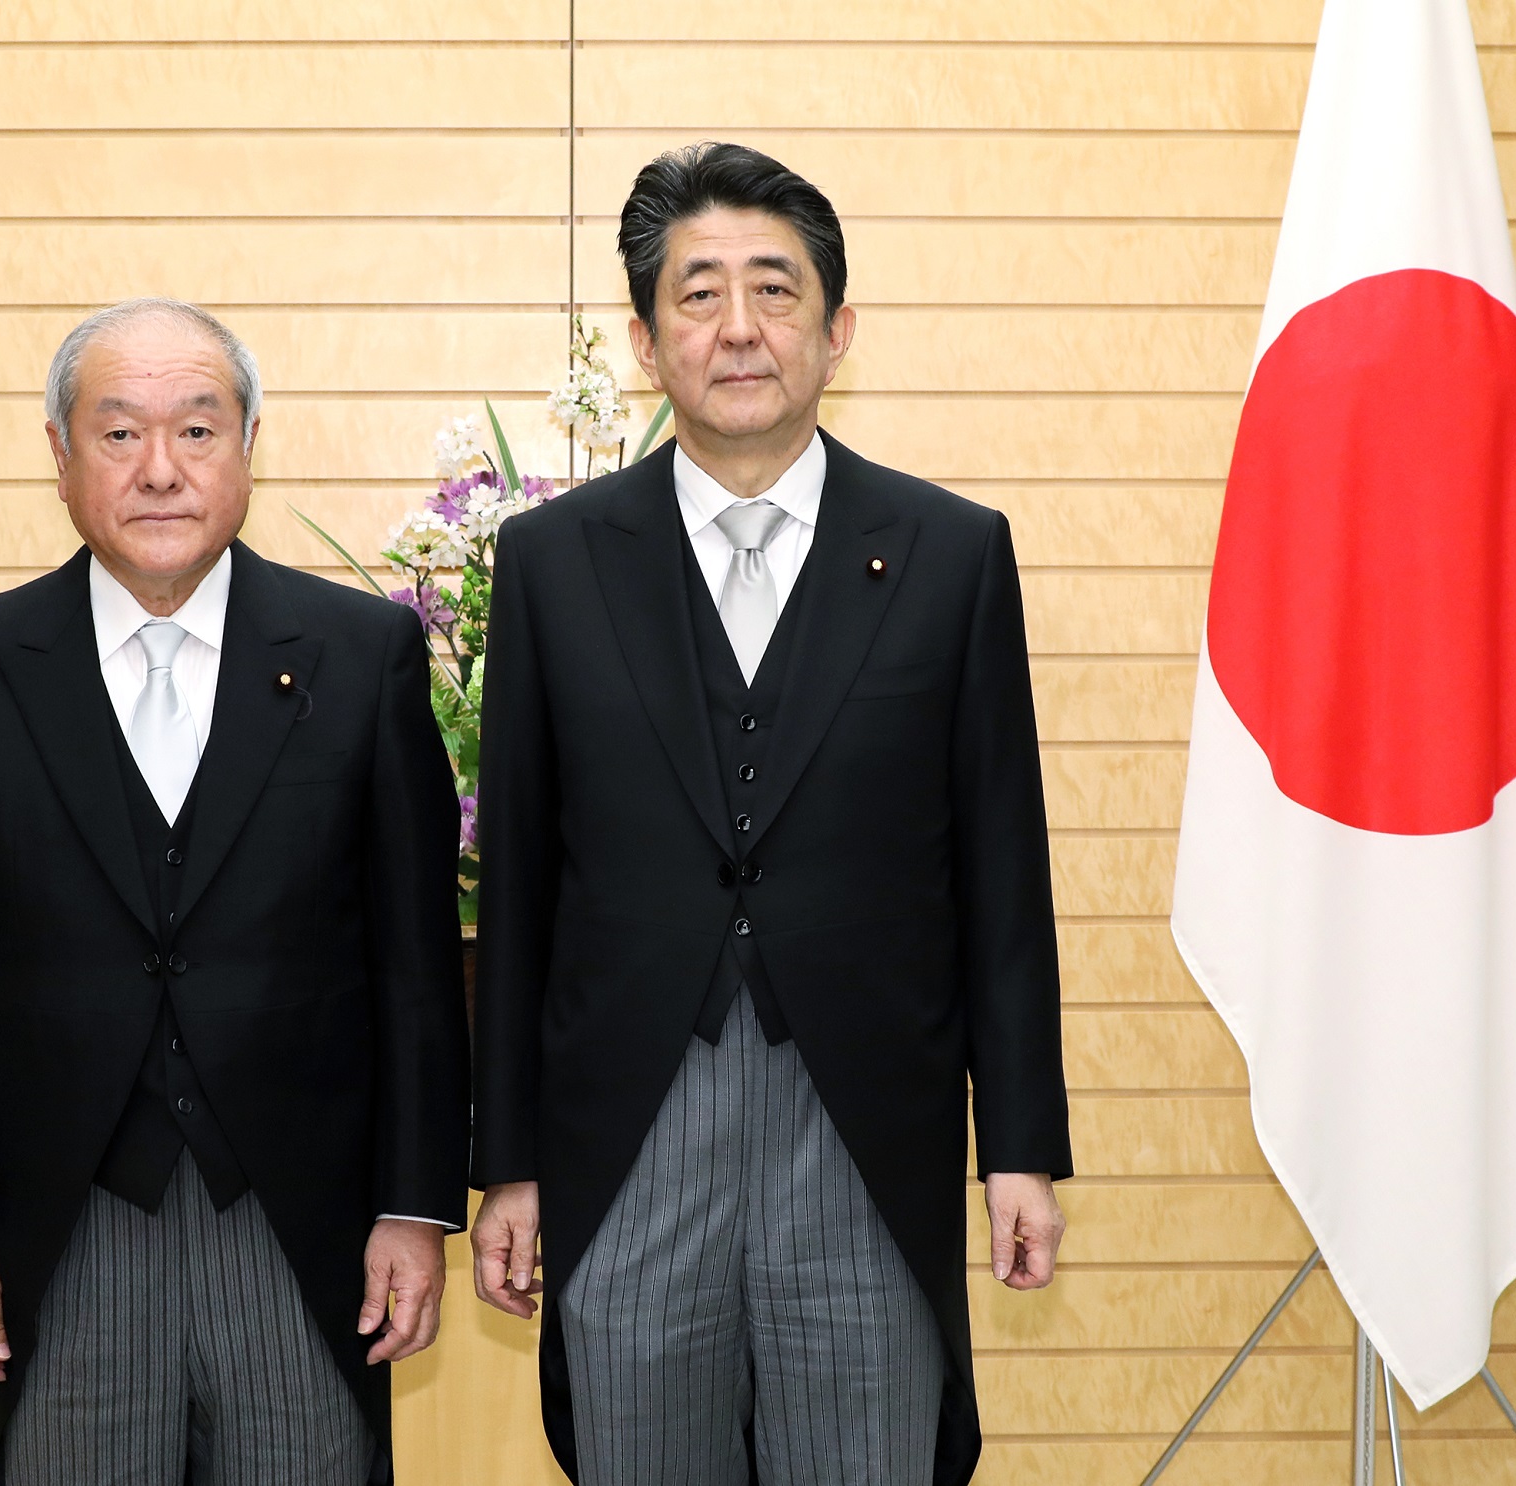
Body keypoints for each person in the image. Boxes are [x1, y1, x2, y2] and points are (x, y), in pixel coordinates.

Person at [468, 144, 1072, 1485]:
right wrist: (503, 1164)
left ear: (837, 329)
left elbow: (999, 867)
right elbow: (517, 884)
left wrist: (1020, 1147)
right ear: (643, 338)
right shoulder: (555, 565)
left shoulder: (950, 554)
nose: (737, 327)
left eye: (774, 290)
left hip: (864, 1128)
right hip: (629, 1137)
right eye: (697, 294)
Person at [0, 298, 468, 1484]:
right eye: (117, 433)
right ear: (58, 455)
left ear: (248, 447)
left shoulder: (362, 659)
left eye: (197, 431)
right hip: (63, 1231)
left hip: (305, 1235)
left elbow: (414, 968)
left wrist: (414, 1205)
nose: (159, 470)